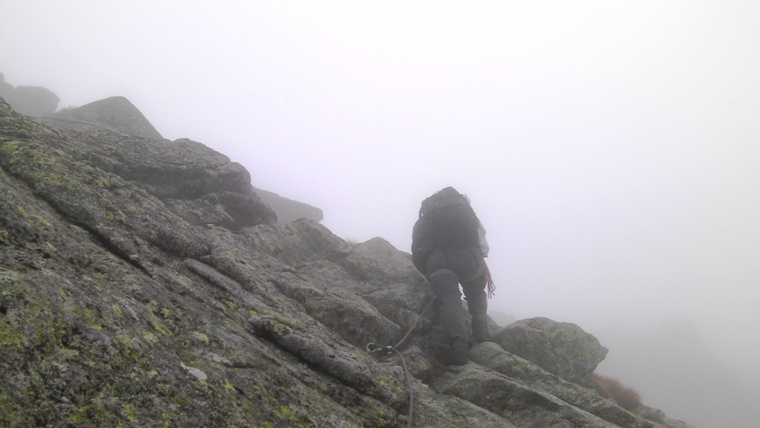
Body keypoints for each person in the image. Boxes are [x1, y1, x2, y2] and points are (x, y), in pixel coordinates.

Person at [411, 186, 491, 365]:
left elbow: (417, 252)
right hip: (469, 258)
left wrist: (428, 272)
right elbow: (483, 244)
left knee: (449, 300)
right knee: (476, 292)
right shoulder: (468, 214)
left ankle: (459, 348)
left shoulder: (425, 220)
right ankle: (482, 334)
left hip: (439, 261)